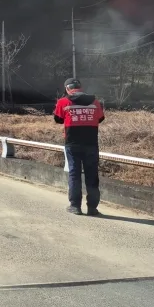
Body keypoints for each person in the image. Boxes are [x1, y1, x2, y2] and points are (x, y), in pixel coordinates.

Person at [53, 78, 105, 216]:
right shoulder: (95, 102)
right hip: (91, 144)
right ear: (81, 88)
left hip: (72, 144)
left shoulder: (63, 102)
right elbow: (100, 118)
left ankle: (75, 206)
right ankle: (92, 208)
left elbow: (58, 119)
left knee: (74, 174)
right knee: (92, 175)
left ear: (67, 89)